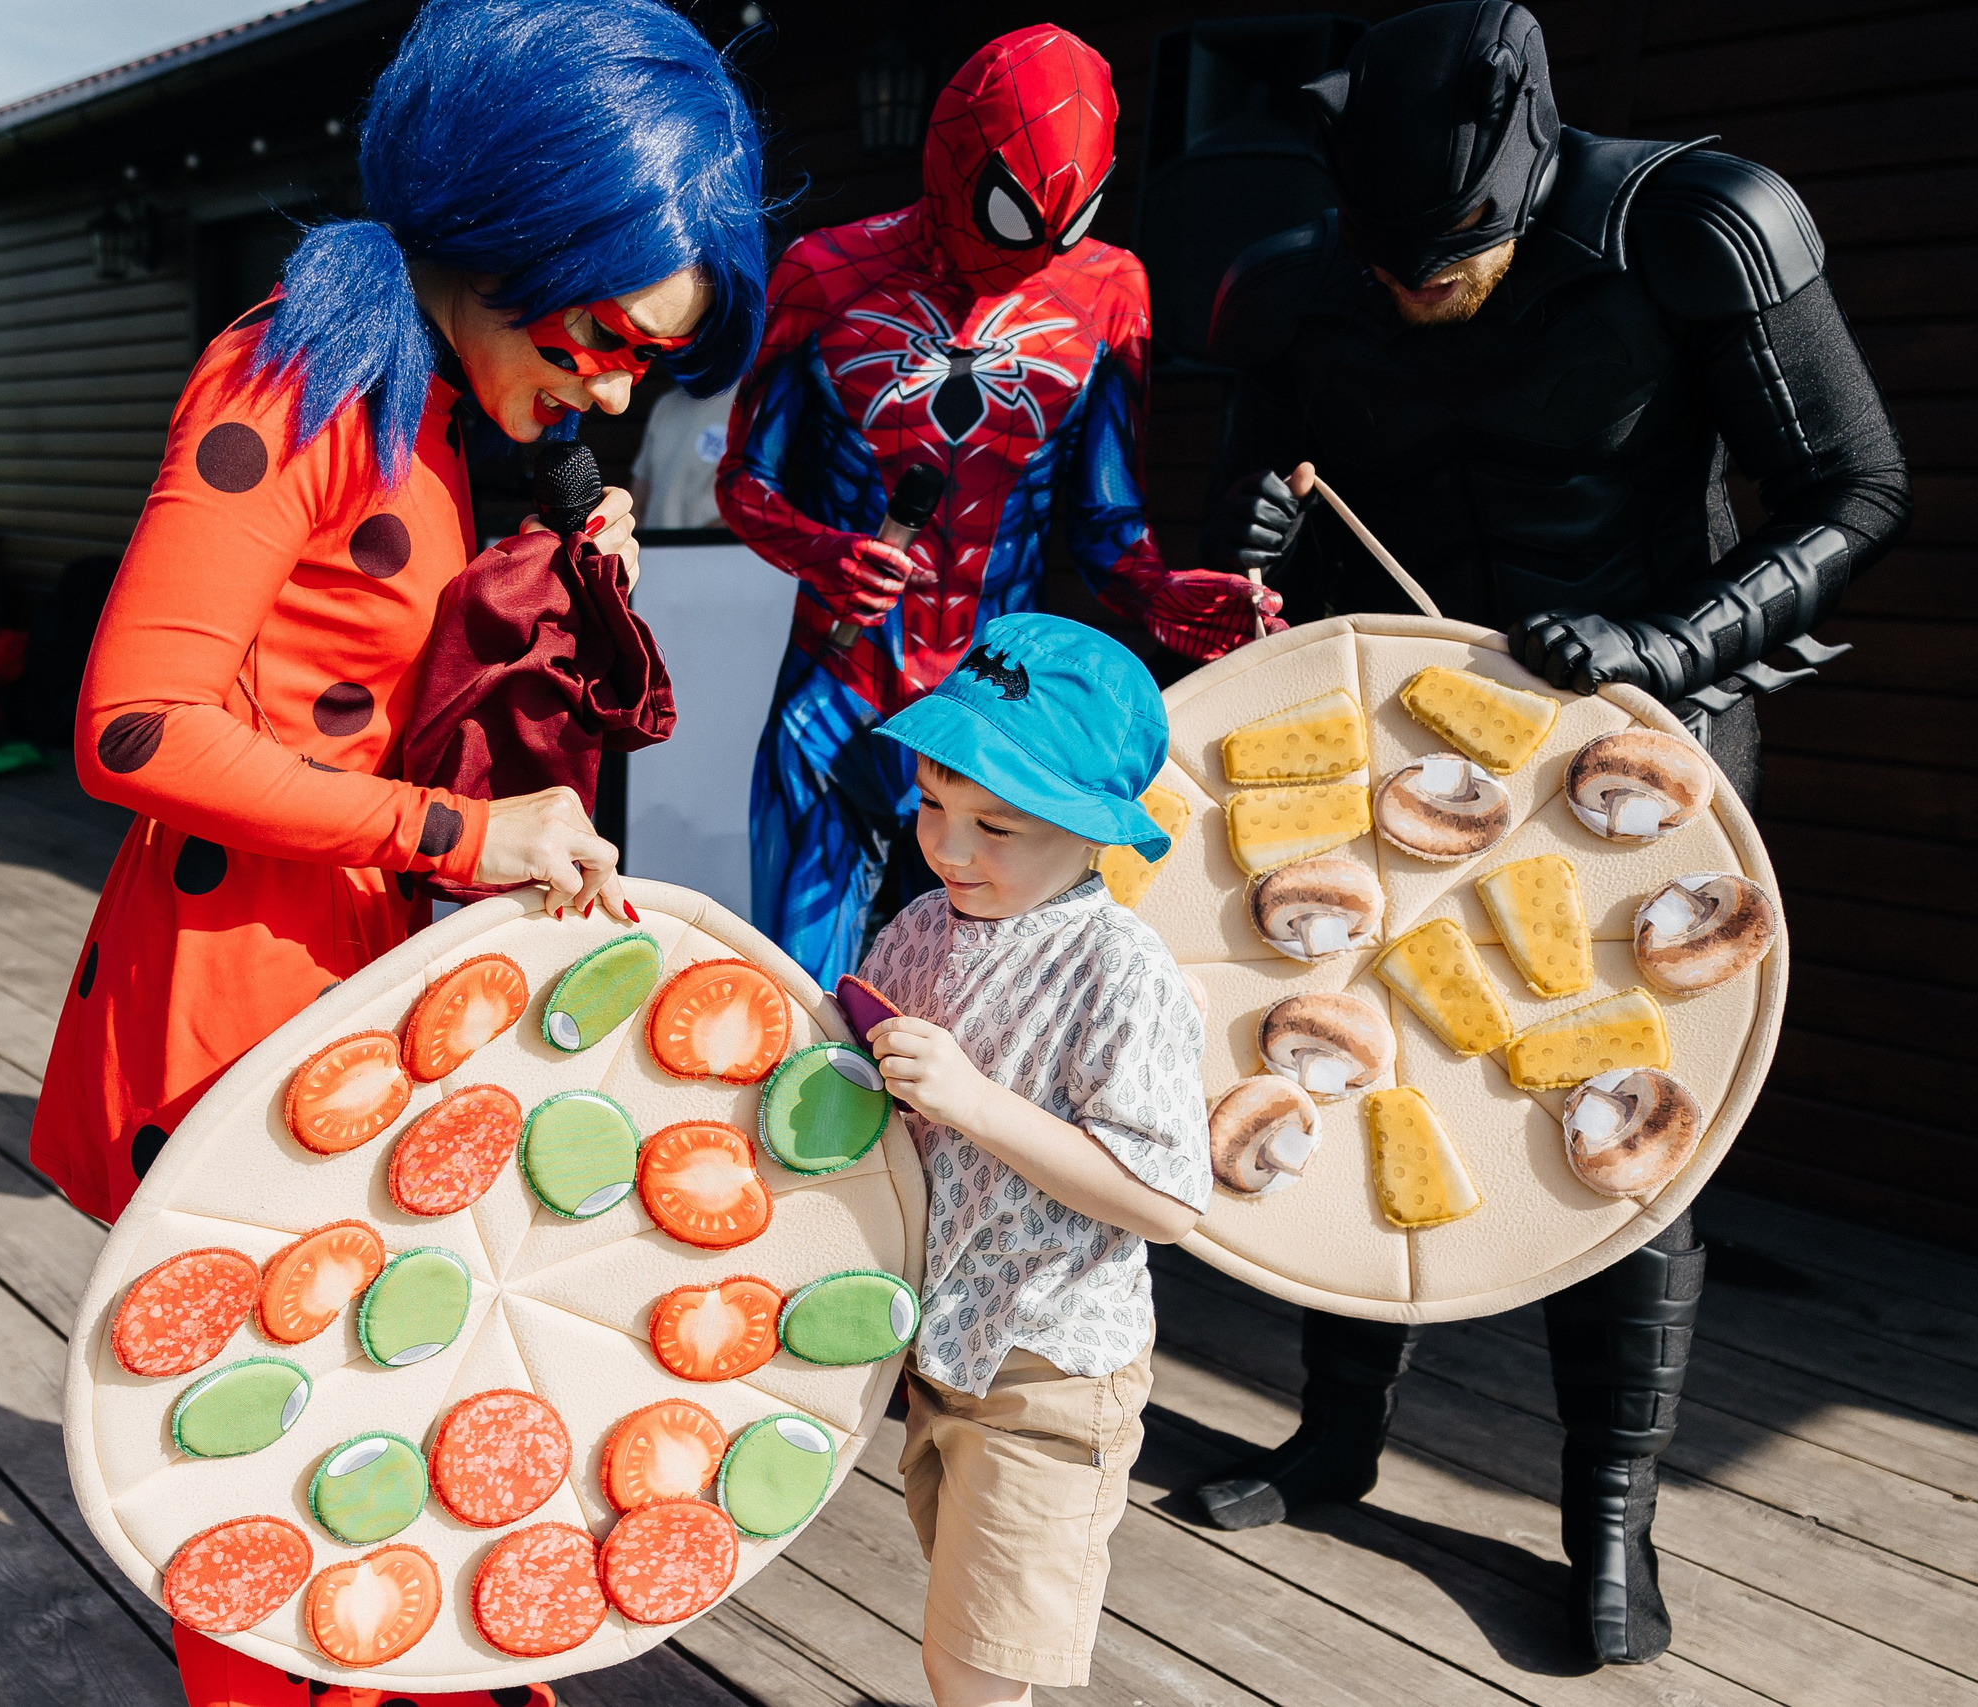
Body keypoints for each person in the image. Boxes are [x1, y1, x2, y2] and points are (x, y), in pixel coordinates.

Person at [27, 2, 766, 1700]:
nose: (612, 383)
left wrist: (554, 546)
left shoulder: (445, 404)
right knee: (262, 1441)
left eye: (648, 357)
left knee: (408, 1390)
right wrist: (460, 829)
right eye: (597, 333)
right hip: (245, 985)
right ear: (506, 232)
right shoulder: (293, 376)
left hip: (379, 971)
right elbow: (132, 727)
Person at [1192, 0, 1910, 1668]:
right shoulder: (1304, 275)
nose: (1413, 296)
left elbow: (1855, 489)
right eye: (1388, 266)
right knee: (1344, 1050)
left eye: (1447, 262)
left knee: (1613, 1094)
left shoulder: (1702, 224)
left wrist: (1672, 647)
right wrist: (1255, 525)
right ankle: (1335, 1430)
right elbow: (1266, 485)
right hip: (1406, 731)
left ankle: (1612, 1523)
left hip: (1643, 718)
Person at [717, 25, 1277, 991]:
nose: (1037, 256)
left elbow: (1107, 525)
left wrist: (1161, 592)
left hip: (998, 710)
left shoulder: (1108, 289)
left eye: (1072, 222)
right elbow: (742, 483)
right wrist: (821, 549)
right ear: (955, 164)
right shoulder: (824, 273)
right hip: (841, 693)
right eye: (1019, 220)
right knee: (799, 992)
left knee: (979, 1006)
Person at [855, 611, 1211, 1707]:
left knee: (982, 1667)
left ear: (1096, 829)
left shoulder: (1121, 968)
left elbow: (1160, 1201)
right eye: (930, 806)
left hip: (1049, 1367)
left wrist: (972, 1101)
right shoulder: (921, 926)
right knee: (956, 1643)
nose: (950, 847)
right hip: (937, 1354)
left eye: (995, 826)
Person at [629, 377, 733, 530]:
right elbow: (637, 498)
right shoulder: (666, 404)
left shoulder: (758, 408)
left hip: (720, 552)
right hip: (655, 549)